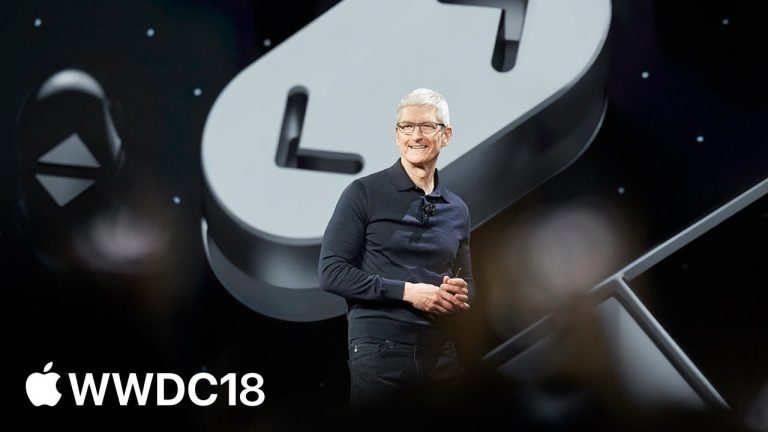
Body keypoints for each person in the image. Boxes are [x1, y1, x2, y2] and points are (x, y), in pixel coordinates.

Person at [318, 88, 475, 409]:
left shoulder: (457, 209)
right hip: (380, 349)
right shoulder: (364, 193)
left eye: (427, 126)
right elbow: (331, 272)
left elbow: (468, 284)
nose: (416, 136)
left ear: (446, 135)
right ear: (397, 135)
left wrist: (460, 294)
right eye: (407, 126)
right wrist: (408, 292)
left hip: (440, 351)